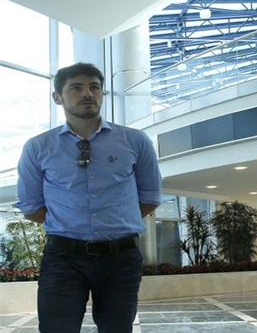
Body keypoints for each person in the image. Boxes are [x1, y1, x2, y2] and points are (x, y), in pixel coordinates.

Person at [16, 62, 162, 333]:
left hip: (121, 257)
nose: (87, 93)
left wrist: (114, 221)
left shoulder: (135, 141)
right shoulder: (38, 147)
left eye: (95, 87)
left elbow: (150, 197)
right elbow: (31, 206)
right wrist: (72, 222)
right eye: (76, 88)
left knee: (117, 329)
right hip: (63, 257)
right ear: (57, 97)